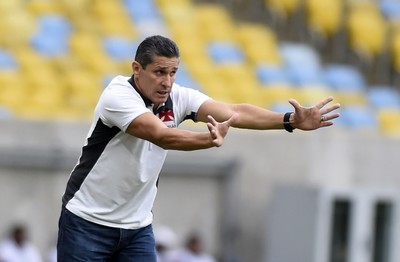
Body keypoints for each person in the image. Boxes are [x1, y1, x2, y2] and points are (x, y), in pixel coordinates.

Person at [57, 35, 340, 261]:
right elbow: (160, 135)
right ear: (136, 69)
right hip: (87, 221)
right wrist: (207, 140)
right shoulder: (117, 96)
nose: (167, 82)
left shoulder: (177, 97)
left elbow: (233, 110)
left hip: (136, 227)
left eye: (173, 72)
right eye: (159, 72)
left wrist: (289, 120)